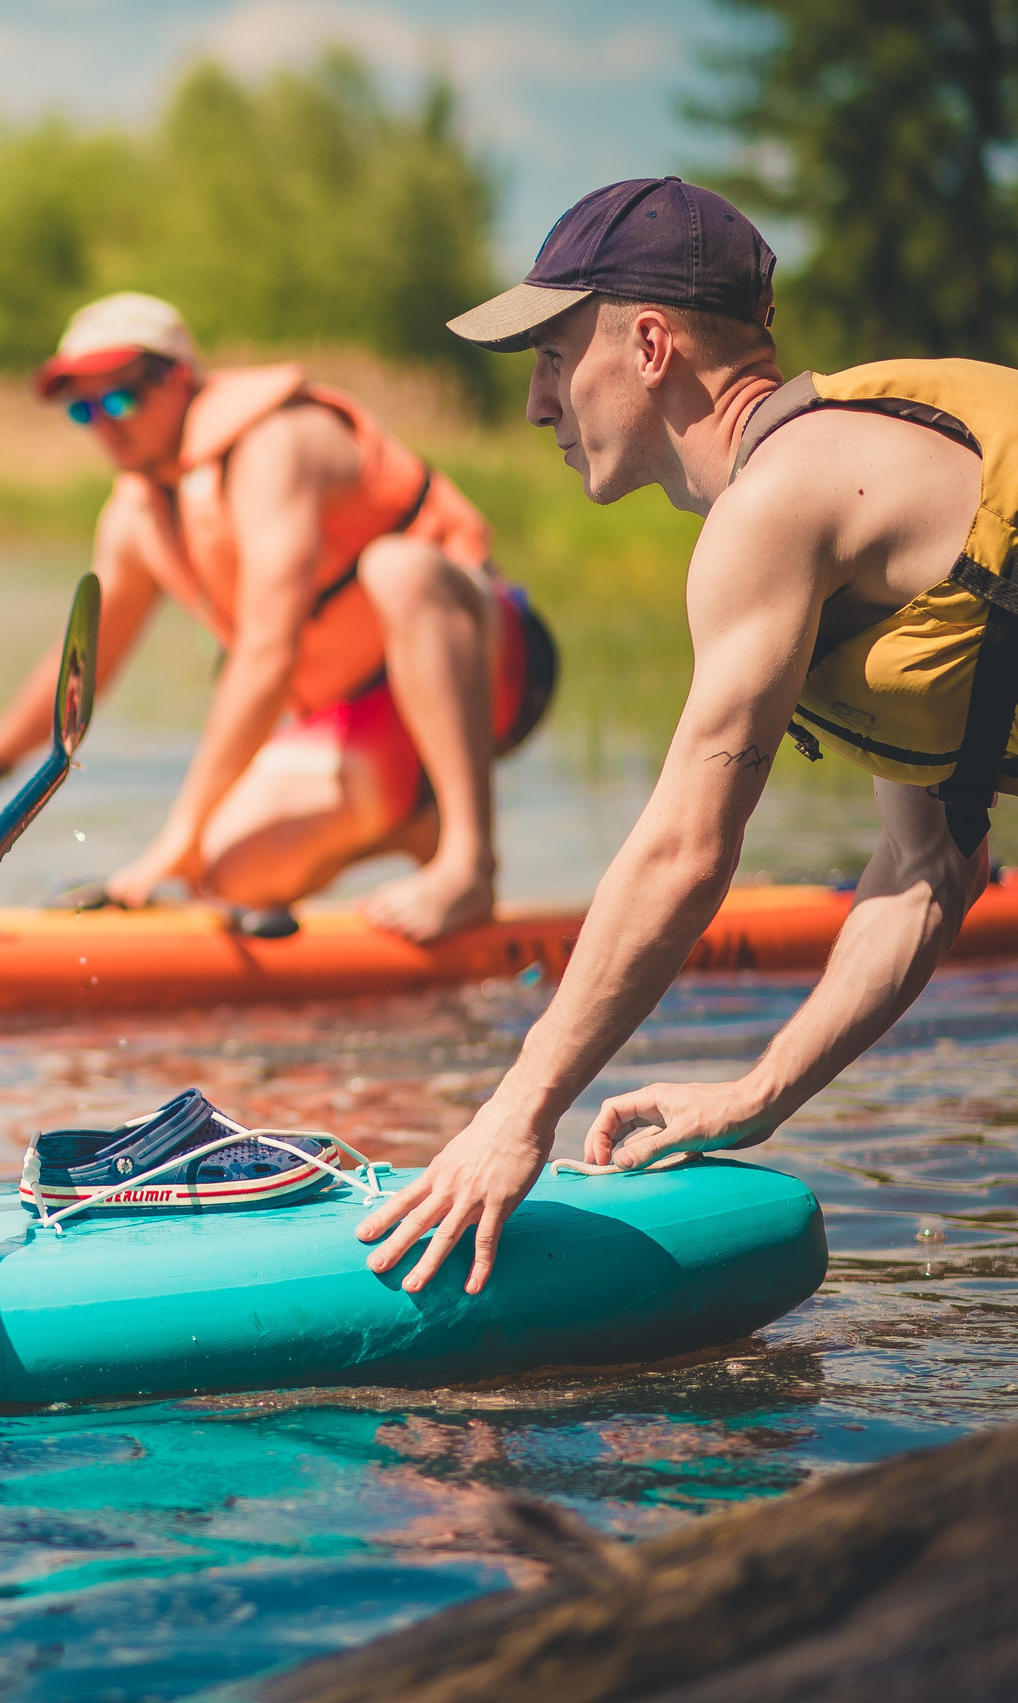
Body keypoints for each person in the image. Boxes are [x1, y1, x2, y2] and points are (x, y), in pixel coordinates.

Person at [357, 177, 1008, 1294]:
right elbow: (928, 865)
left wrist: (516, 1112)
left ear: (649, 343)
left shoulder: (781, 497)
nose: (535, 404)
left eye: (554, 357)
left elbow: (682, 851)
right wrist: (759, 1091)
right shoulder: (826, 487)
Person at [0, 294, 557, 942]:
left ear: (178, 379)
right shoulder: (135, 515)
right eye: (82, 409)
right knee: (228, 875)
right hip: (365, 713)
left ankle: (469, 864)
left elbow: (268, 654)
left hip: (488, 669)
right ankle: (422, 828)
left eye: (121, 397)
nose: (105, 422)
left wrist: (173, 838)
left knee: (399, 567)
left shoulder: (274, 444)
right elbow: (82, 670)